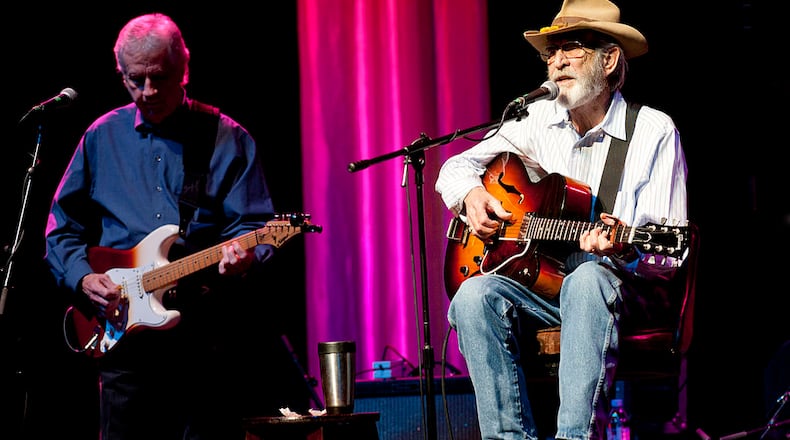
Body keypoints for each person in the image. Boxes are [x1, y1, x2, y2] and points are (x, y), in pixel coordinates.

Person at [435, 0, 688, 439]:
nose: (556, 62)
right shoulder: (535, 118)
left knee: (588, 279)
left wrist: (624, 247)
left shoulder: (653, 130)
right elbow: (454, 168)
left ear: (609, 60)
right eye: (550, 53)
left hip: (621, 292)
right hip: (543, 284)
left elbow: (668, 258)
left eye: (571, 48)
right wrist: (473, 195)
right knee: (473, 295)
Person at [44, 13, 277, 440]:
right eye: (135, 79)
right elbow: (62, 228)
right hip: (122, 335)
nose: (148, 91)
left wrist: (245, 258)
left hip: (203, 335)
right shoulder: (101, 136)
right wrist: (83, 277)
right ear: (121, 73)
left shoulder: (227, 138)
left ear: (183, 69)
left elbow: (257, 225)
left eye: (160, 77)